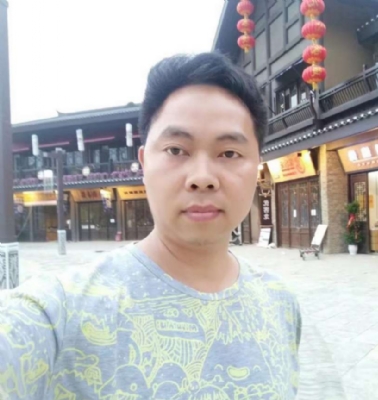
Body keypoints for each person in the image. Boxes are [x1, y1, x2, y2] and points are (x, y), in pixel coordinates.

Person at [0, 52, 301, 399]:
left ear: (257, 165)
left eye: (229, 153)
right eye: (176, 150)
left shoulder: (281, 303)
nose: (202, 177)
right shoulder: (62, 311)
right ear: (144, 163)